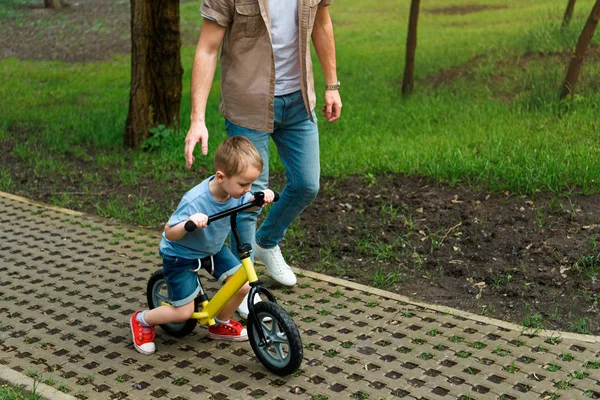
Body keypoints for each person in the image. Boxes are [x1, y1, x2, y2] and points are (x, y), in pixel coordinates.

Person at [183, 0, 343, 295]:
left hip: (298, 100)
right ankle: (240, 290)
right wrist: (198, 119)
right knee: (247, 202)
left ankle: (266, 242)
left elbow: (322, 23)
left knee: (307, 184)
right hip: (248, 104)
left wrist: (332, 85)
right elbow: (207, 48)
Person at [130, 136, 275, 355]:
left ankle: (219, 323)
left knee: (242, 286)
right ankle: (142, 320)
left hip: (212, 249)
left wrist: (261, 198)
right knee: (184, 313)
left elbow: (246, 202)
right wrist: (190, 223)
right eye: (244, 184)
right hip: (182, 254)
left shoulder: (235, 190)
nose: (248, 188)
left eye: (251, 183)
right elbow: (169, 231)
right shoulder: (195, 200)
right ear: (220, 176)